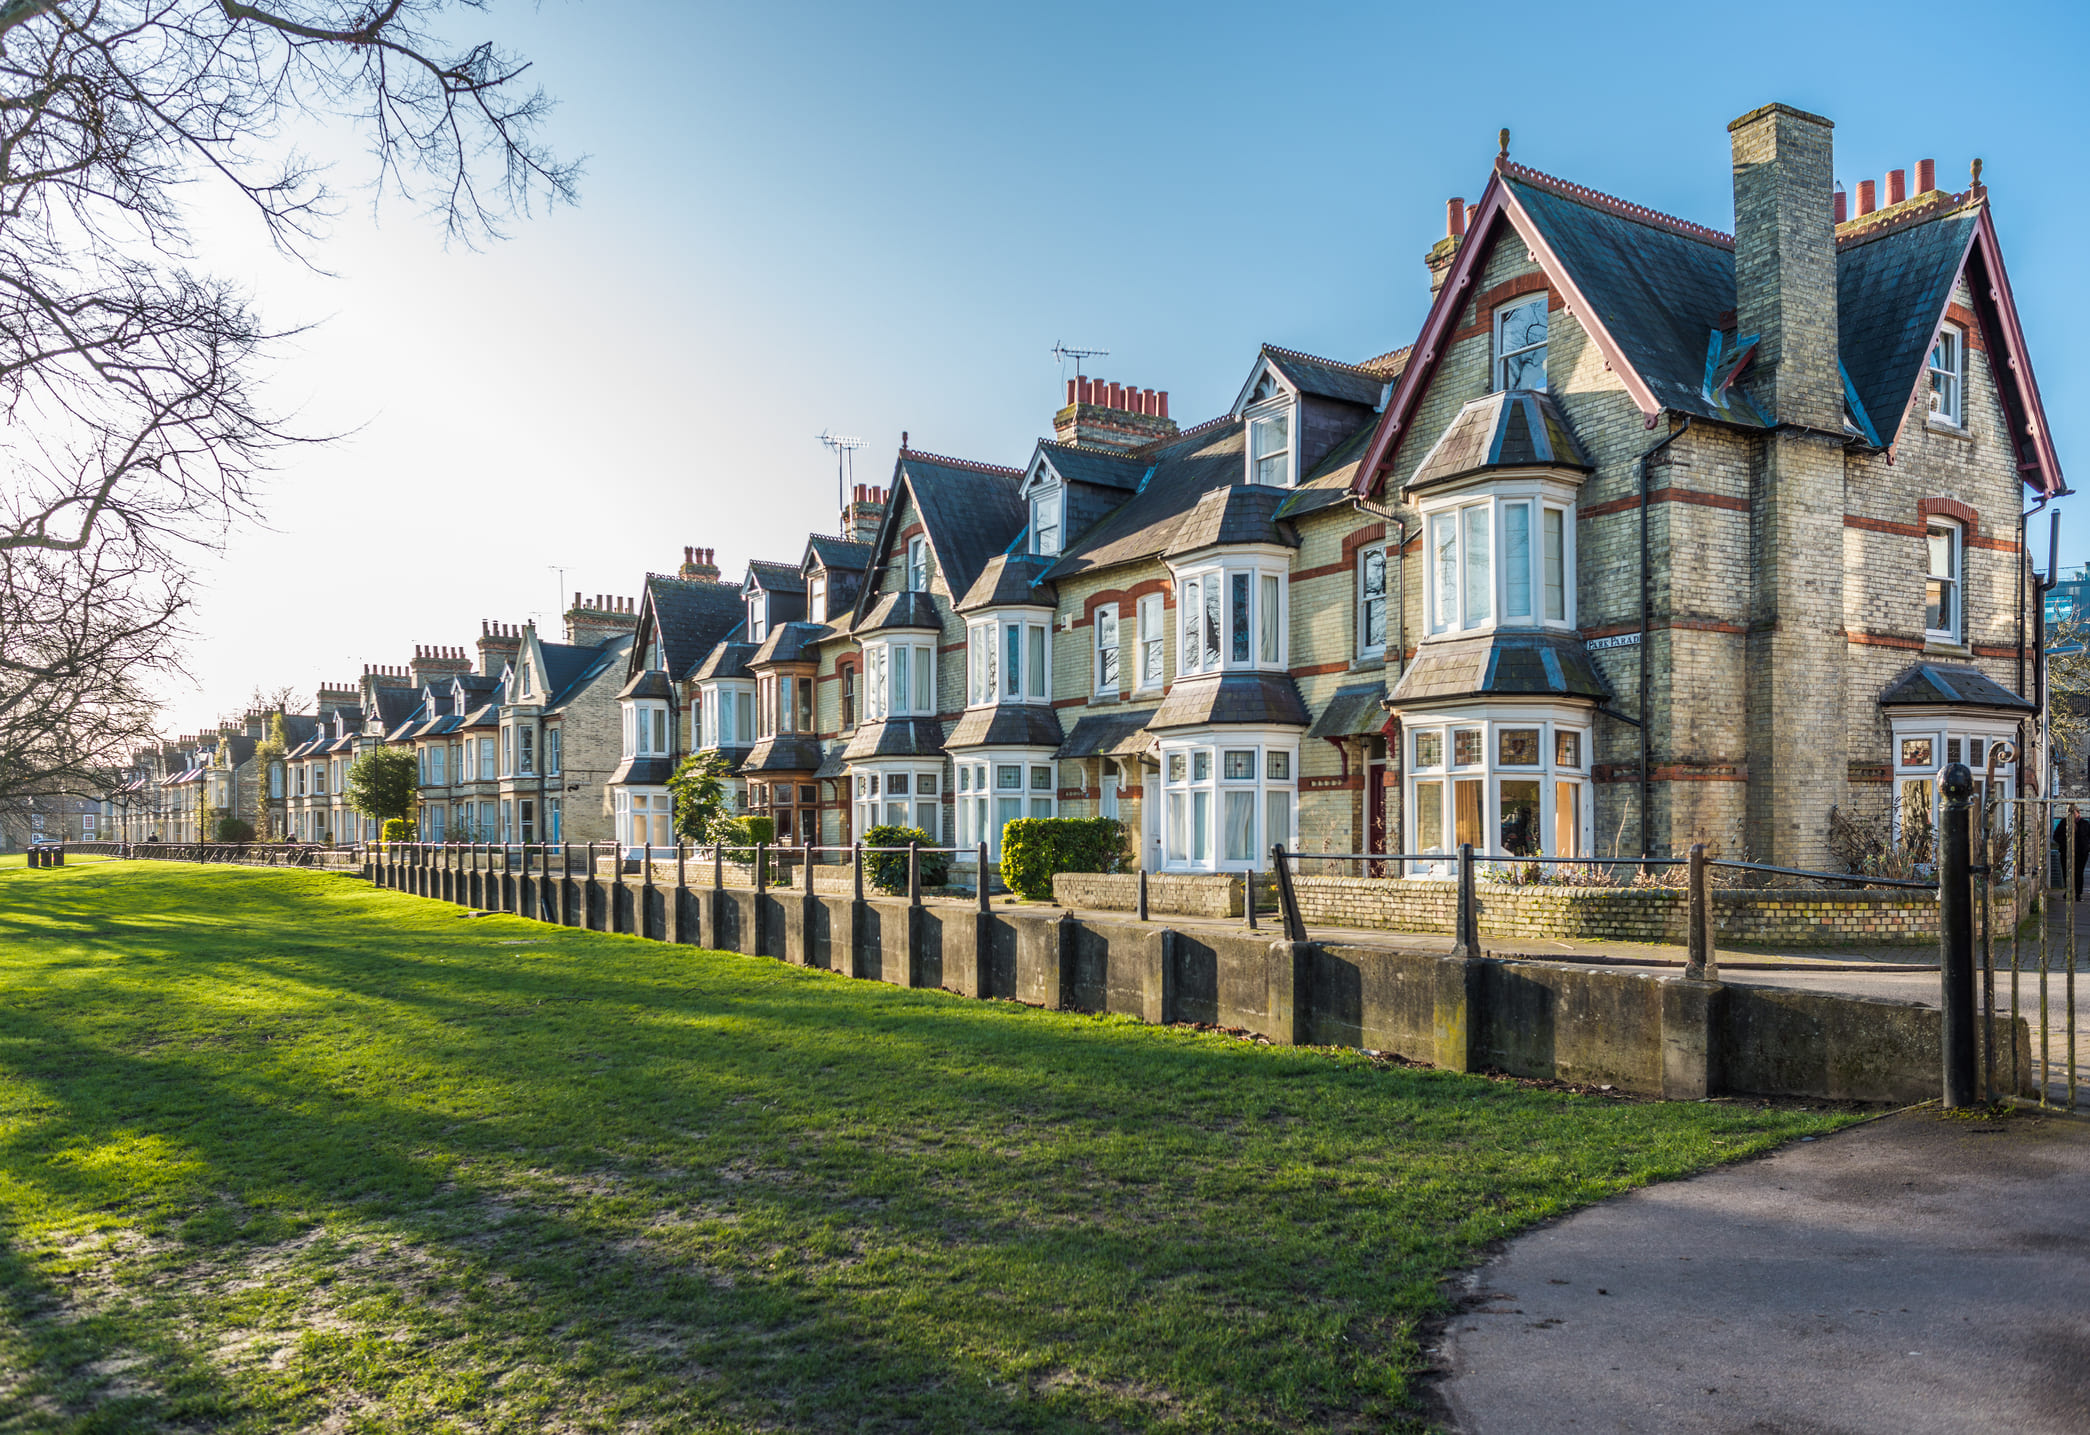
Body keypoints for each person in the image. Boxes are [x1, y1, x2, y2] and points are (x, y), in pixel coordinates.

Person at [2051, 806, 2090, 901]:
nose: (2072, 816)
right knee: (2067, 872)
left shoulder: (2084, 823)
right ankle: (2069, 891)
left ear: (2078, 813)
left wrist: (2087, 846)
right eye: (2070, 813)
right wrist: (2065, 843)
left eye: (2074, 813)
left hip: (2081, 852)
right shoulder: (2064, 823)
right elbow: (2056, 836)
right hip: (2066, 852)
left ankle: (2078, 894)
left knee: (2079, 873)